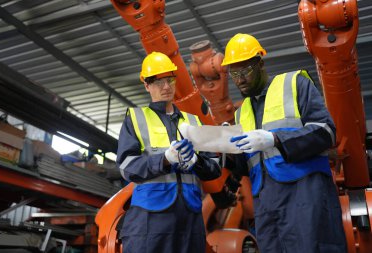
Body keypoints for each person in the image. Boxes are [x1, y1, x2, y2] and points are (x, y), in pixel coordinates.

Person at [221, 33, 347, 253]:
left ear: (260, 64)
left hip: (304, 193)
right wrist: (226, 151)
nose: (239, 79)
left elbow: (325, 132)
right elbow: (246, 167)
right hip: (265, 204)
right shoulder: (242, 114)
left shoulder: (294, 84)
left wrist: (275, 139)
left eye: (245, 71)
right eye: (234, 73)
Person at [116, 51, 221, 253]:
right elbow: (127, 167)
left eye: (169, 80)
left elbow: (214, 168)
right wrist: (164, 160)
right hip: (151, 218)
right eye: (157, 82)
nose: (166, 87)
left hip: (190, 218)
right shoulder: (135, 118)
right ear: (146, 85)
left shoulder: (193, 121)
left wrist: (196, 162)